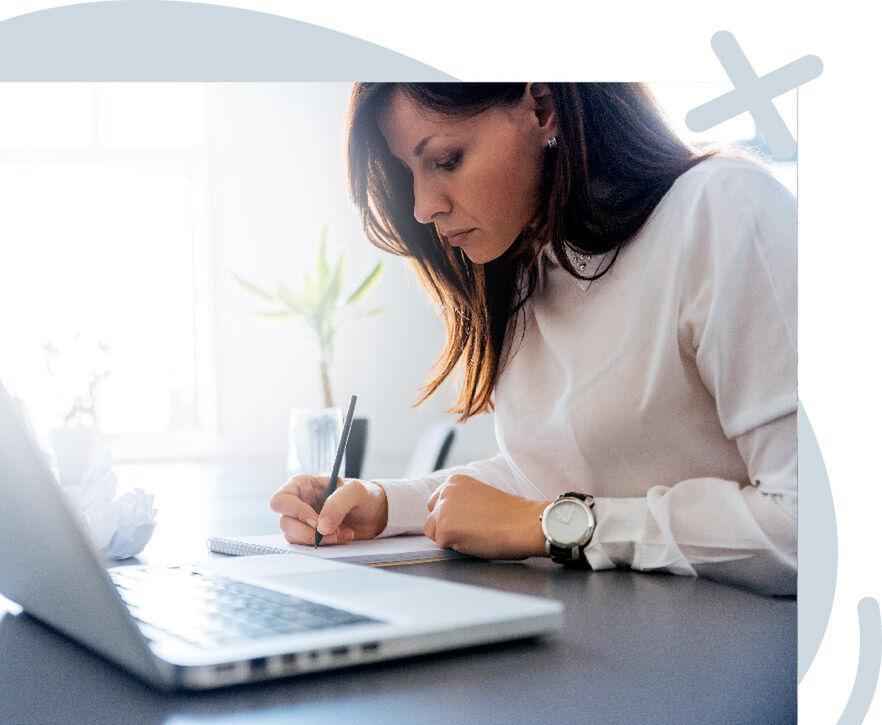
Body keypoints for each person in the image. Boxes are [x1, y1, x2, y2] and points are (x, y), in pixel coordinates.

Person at [269, 83, 797, 597]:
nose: (422, 207)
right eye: (410, 171)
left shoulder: (725, 210)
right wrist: (386, 506)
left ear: (542, 107)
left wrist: (561, 526)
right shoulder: (531, 270)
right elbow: (543, 475)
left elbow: (813, 524)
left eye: (446, 159)